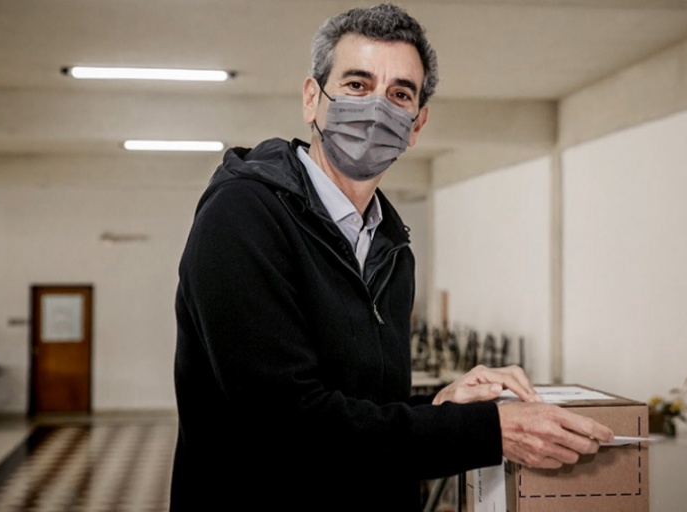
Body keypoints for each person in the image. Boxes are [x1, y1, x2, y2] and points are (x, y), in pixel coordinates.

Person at [170, 4, 613, 510]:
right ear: (312, 99)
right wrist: (486, 431)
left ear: (416, 124)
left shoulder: (391, 247)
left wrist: (442, 405)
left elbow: (364, 412)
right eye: (357, 85)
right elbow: (289, 425)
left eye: (400, 94)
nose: (377, 108)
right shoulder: (244, 217)